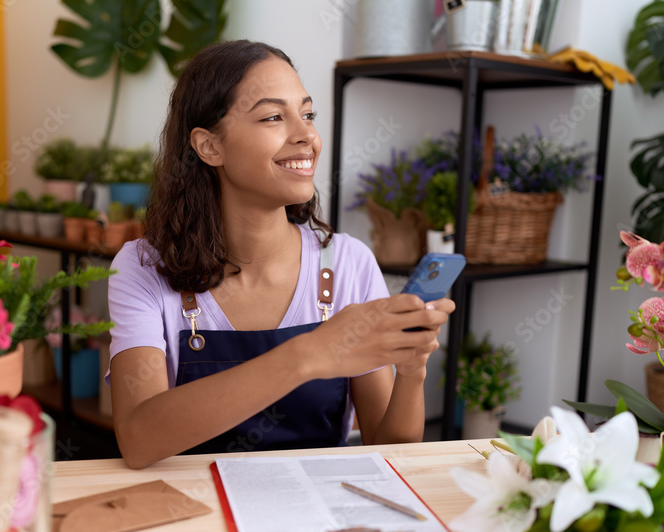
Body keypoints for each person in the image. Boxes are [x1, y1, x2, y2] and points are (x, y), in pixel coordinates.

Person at [107, 40, 454, 469]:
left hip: (316, 520)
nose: (307, 136)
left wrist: (411, 371)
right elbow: (138, 439)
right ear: (209, 146)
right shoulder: (142, 268)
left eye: (307, 115)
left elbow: (388, 449)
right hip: (191, 519)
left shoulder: (348, 263)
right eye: (274, 117)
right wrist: (309, 355)